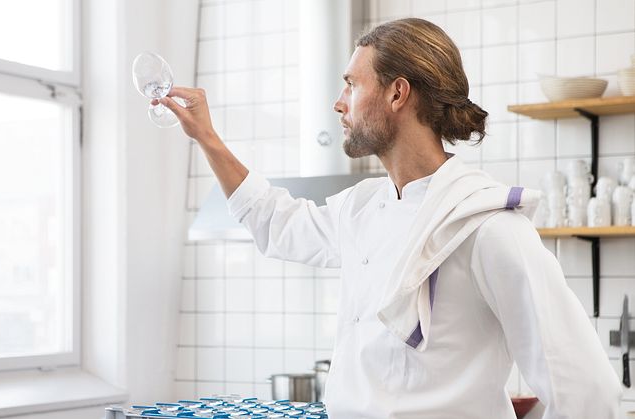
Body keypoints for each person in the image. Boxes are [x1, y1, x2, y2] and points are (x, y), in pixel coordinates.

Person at [158, 18, 621, 419]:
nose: (340, 103)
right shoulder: (361, 206)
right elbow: (277, 222)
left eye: (352, 85)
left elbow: (586, 392)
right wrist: (207, 138)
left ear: (398, 93)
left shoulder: (488, 227)